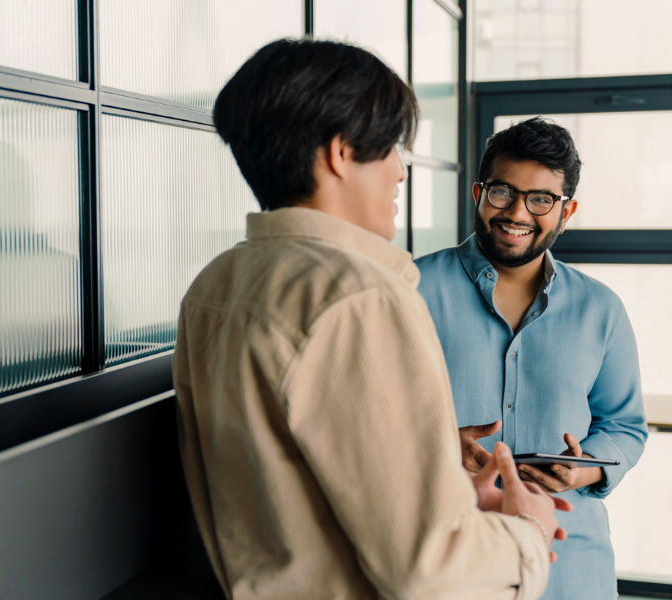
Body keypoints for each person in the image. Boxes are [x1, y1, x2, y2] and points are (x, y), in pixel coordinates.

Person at [174, 39, 570, 599]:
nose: (400, 173)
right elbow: (429, 571)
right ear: (340, 153)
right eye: (389, 148)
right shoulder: (360, 296)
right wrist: (525, 529)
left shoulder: (217, 284)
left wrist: (449, 495)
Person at [414, 117, 648, 600]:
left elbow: (624, 427)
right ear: (478, 193)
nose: (518, 211)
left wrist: (584, 469)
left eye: (541, 198)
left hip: (571, 566)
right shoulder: (409, 290)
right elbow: (366, 416)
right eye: (502, 191)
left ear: (567, 210)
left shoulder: (601, 309)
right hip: (446, 560)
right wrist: (432, 446)